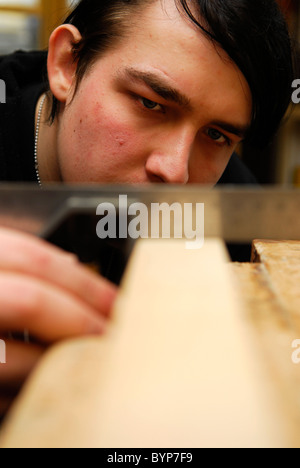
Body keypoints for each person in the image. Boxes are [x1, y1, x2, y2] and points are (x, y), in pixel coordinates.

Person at [0, 0, 294, 419]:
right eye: (151, 104)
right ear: (67, 64)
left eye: (216, 134)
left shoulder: (228, 209)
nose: (175, 171)